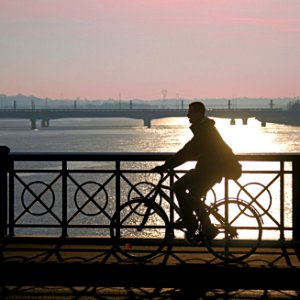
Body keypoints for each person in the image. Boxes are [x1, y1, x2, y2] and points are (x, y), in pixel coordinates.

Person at [152, 101, 241, 240]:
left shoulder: (204, 131)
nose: (187, 115)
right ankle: (208, 229)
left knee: (178, 187)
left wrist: (166, 166)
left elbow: (187, 152)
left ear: (199, 113)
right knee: (194, 197)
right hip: (211, 170)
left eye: (190, 112)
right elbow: (188, 151)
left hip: (209, 171)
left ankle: (190, 223)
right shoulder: (205, 128)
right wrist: (168, 165)